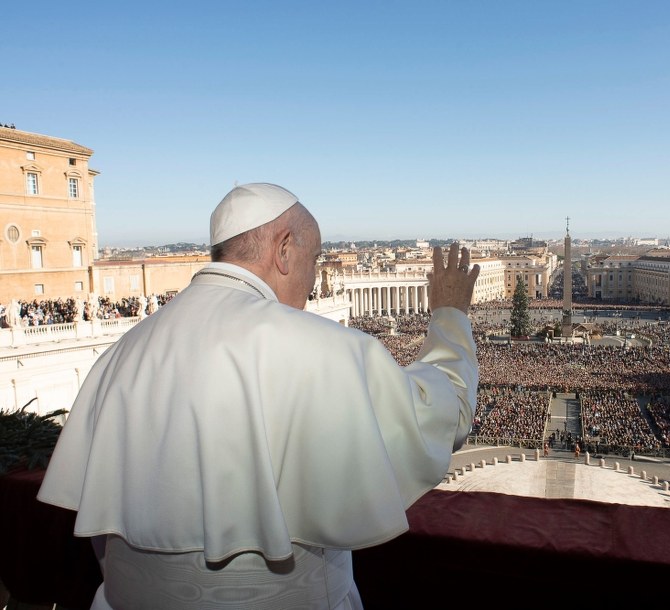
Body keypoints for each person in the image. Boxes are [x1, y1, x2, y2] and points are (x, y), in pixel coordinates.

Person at [37, 182, 481, 609]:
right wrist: (449, 315)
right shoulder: (323, 348)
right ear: (284, 250)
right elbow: (444, 415)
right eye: (316, 259)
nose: (314, 279)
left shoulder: (118, 356)